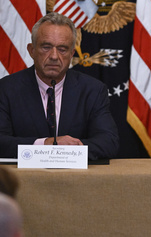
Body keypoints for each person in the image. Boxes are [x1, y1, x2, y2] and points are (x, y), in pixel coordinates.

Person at [0, 12, 119, 160]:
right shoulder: (6, 89)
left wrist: (64, 151)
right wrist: (46, 144)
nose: (54, 56)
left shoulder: (93, 90)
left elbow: (109, 142)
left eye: (62, 49)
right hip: (25, 181)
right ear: (32, 50)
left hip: (76, 181)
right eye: (46, 47)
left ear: (71, 54)